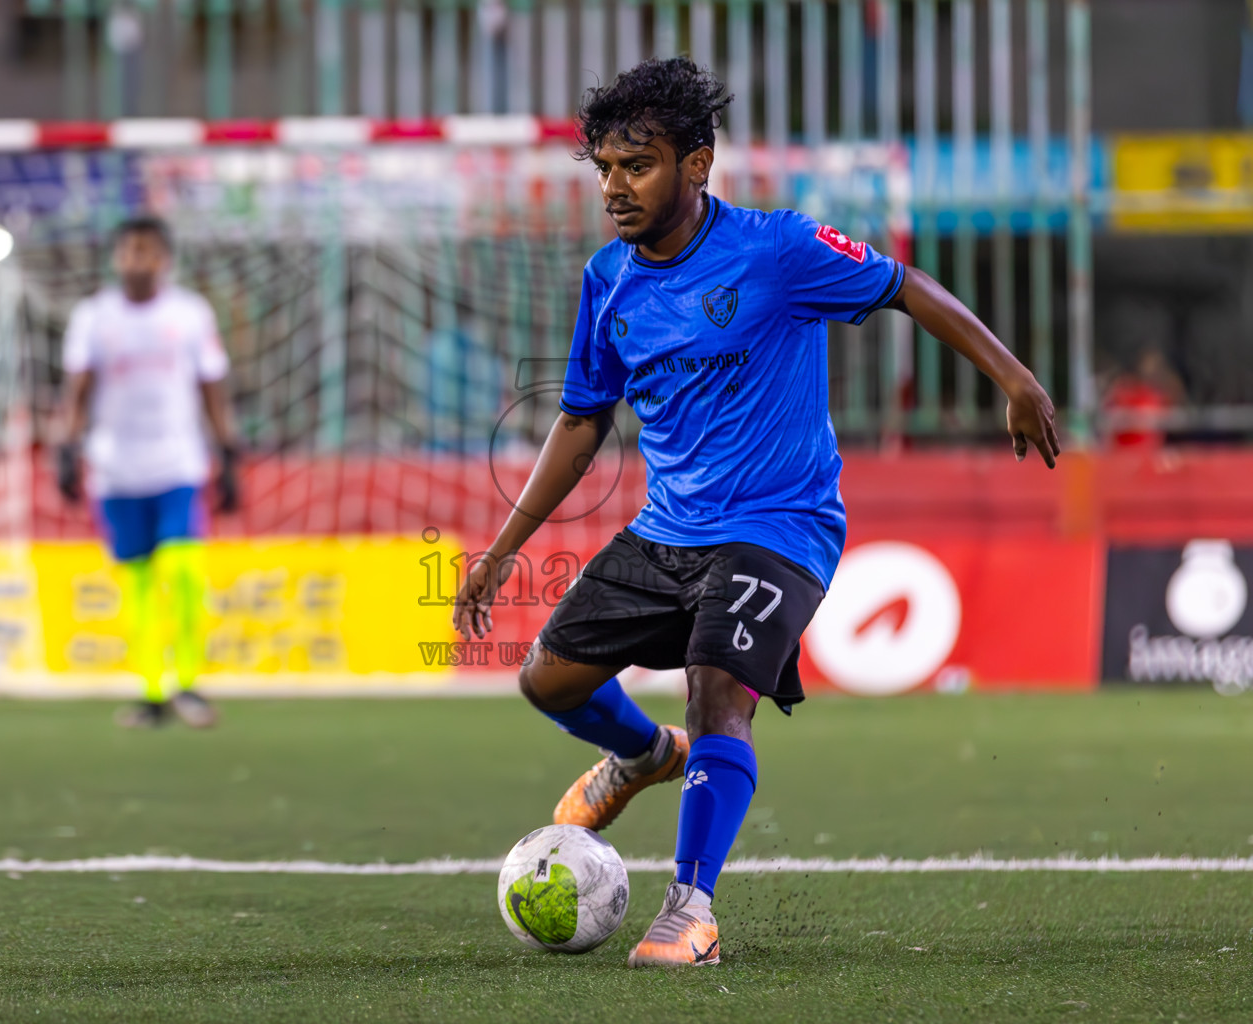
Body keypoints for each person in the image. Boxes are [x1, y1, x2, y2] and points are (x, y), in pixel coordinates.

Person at [453, 58, 1060, 967]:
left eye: (640, 165)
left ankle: (690, 908)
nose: (617, 187)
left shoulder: (778, 251)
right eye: (606, 168)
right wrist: (504, 548)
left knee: (716, 691)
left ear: (697, 166)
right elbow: (582, 422)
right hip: (669, 531)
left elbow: (904, 286)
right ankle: (643, 758)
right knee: (547, 680)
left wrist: (1012, 377)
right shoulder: (608, 281)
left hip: (782, 527)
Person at [57, 215, 240, 729]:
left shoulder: (190, 315)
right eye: (129, 251)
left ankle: (189, 683)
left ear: (165, 259)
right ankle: (151, 692)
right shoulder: (94, 317)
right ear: (117, 258)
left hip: (177, 463)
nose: (137, 260)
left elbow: (212, 387)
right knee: (136, 587)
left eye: (147, 251)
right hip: (115, 469)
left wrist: (229, 452)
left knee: (182, 575)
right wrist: (65, 448)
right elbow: (77, 388)